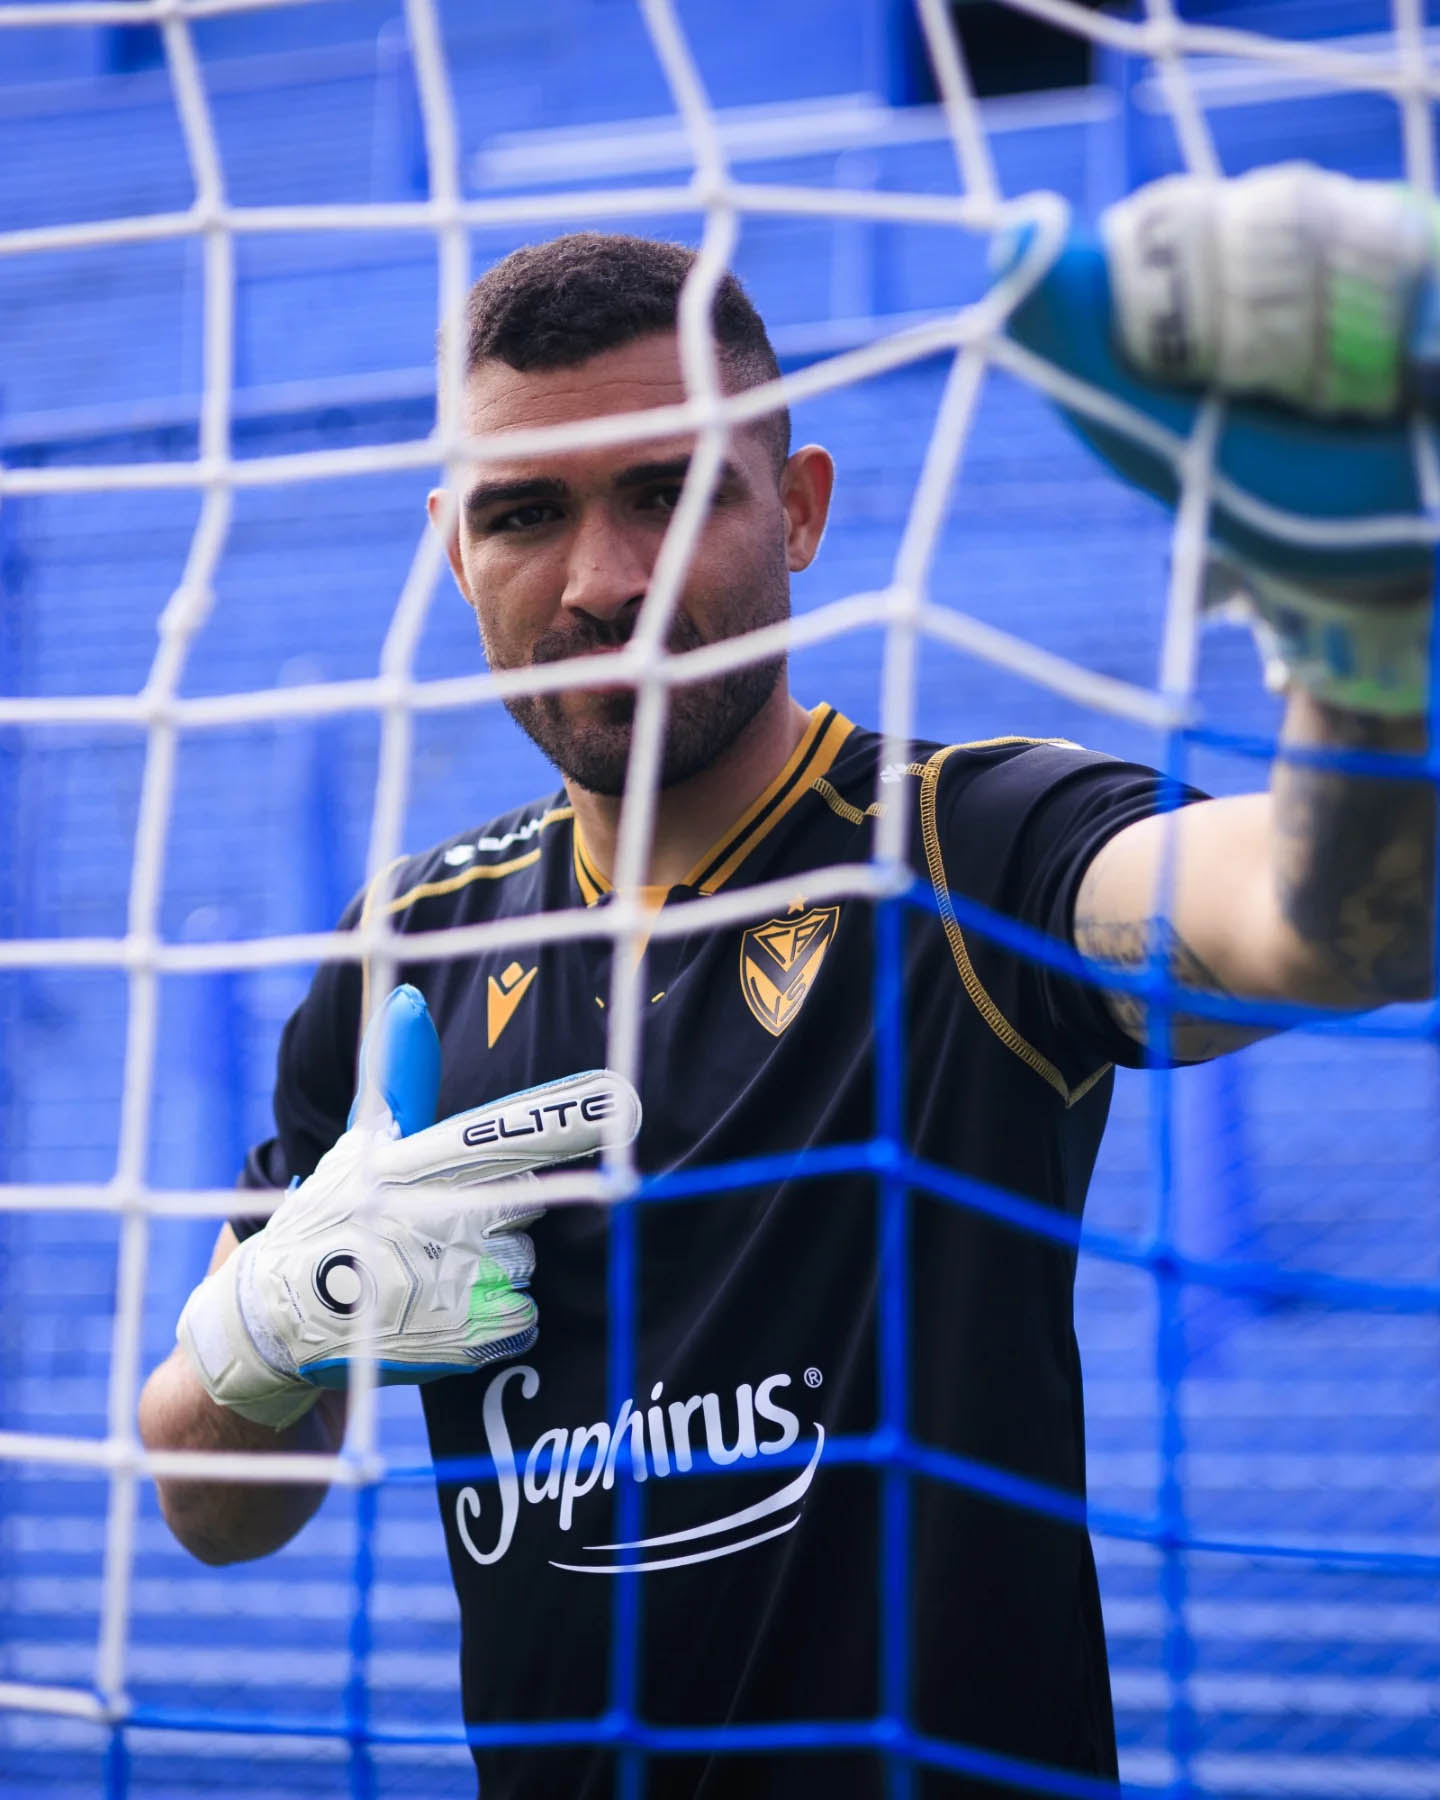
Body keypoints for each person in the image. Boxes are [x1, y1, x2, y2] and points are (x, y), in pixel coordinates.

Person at [139, 171, 1437, 1799]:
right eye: (525, 513)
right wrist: (271, 1331)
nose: (604, 579)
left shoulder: (967, 853)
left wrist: (1366, 633)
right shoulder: (408, 957)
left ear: (802, 508)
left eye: (672, 494)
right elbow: (216, 1510)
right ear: (453, 554)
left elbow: (1338, 923)